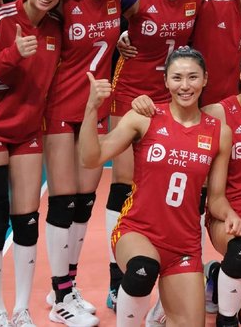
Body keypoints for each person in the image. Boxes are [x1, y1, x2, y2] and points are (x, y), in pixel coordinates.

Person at [131, 48, 241, 326]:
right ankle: (181, 302)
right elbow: (179, 120)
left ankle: (217, 277)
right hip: (227, 217)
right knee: (240, 250)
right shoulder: (219, 112)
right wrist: (144, 104)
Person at [78, 47, 232, 327]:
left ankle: (158, 315)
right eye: (177, 78)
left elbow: (217, 198)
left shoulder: (219, 132)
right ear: (166, 81)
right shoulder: (144, 116)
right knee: (142, 269)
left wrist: (232, 217)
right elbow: (90, 158)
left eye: (192, 77)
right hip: (138, 231)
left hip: (185, 244)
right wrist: (91, 108)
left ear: (205, 79)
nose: (185, 86)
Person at [106, 0, 208, 309]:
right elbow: (106, 18)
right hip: (130, 92)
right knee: (124, 182)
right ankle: (118, 277)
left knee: (170, 178)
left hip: (173, 95)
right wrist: (119, 38)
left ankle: (175, 266)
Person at [0, 0, 71, 327]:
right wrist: (13, 55)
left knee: (27, 222)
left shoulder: (56, 27)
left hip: (28, 131)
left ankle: (21, 309)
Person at [40, 0, 127, 326]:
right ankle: (60, 298)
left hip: (97, 110)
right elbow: (28, 8)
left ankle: (67, 285)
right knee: (62, 201)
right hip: (60, 107)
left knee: (84, 202)